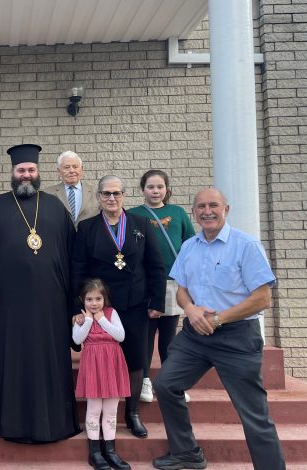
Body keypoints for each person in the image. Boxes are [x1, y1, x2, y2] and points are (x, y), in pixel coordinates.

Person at [152, 188, 285, 470]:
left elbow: (263, 298)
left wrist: (218, 319)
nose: (207, 211)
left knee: (253, 413)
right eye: (201, 206)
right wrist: (190, 309)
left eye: (213, 205)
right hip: (195, 336)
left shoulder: (246, 245)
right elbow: (181, 290)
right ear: (194, 212)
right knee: (165, 385)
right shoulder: (189, 247)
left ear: (226, 209)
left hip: (236, 337)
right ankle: (186, 453)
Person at [0, 143, 80, 443]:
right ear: (12, 172)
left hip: (50, 302)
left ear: (38, 173)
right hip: (8, 303)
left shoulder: (54, 207)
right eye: (21, 170)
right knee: (13, 361)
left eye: (31, 170)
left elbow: (71, 254)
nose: (26, 175)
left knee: (50, 359)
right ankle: (10, 424)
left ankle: (55, 423)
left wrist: (73, 298)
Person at [71, 175, 166, 439]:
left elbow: (156, 266)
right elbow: (78, 269)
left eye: (116, 193)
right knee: (99, 358)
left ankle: (132, 412)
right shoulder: (87, 228)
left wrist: (158, 302)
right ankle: (97, 416)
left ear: (124, 195)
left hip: (135, 305)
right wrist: (78, 307)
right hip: (99, 307)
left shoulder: (141, 224)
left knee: (135, 360)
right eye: (106, 194)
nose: (111, 198)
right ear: (98, 197)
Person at [128, 170, 195, 403]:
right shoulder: (133, 214)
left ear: (167, 189)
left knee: (169, 336)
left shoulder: (177, 213)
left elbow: (190, 244)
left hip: (173, 283)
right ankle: (145, 380)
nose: (155, 191)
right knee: (146, 334)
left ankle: (170, 382)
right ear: (142, 189)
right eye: (150, 187)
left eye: (159, 187)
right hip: (146, 284)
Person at [73, 278, 131, 470]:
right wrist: (88, 320)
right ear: (83, 299)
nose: (94, 303)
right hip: (93, 365)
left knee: (111, 410)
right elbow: (77, 339)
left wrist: (101, 319)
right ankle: (95, 452)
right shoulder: (80, 318)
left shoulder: (111, 313)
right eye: (89, 299)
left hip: (111, 364)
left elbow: (120, 336)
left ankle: (111, 451)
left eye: (98, 298)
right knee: (94, 408)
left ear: (105, 298)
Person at [44, 150, 97, 227]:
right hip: (61, 238)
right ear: (59, 171)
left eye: (75, 167)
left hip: (89, 238)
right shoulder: (47, 194)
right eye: (67, 167)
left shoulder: (96, 192)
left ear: (81, 169)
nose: (72, 171)